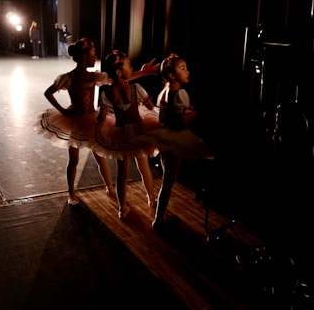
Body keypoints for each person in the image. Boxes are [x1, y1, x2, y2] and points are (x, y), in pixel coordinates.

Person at [35, 38, 159, 206]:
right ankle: (71, 192)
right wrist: (63, 110)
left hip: (92, 119)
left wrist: (143, 72)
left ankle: (109, 187)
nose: (95, 58)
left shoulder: (95, 77)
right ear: (84, 57)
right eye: (93, 55)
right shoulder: (69, 78)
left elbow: (119, 78)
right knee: (74, 159)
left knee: (100, 156)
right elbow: (48, 92)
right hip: (75, 121)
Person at [144, 53, 215, 229]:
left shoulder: (164, 92)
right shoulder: (181, 93)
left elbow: (164, 116)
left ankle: (161, 213)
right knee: (169, 181)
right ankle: (159, 219)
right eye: (183, 68)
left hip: (164, 138)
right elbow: (180, 122)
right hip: (176, 139)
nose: (187, 71)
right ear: (171, 75)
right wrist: (192, 115)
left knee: (167, 178)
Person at [94, 50, 160, 219]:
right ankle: (151, 199)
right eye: (129, 65)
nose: (132, 68)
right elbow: (151, 107)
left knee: (122, 174)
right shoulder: (135, 88)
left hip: (121, 133)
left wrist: (100, 119)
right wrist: (149, 103)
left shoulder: (106, 93)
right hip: (138, 131)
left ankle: (122, 208)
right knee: (143, 166)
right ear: (118, 72)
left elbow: (102, 117)